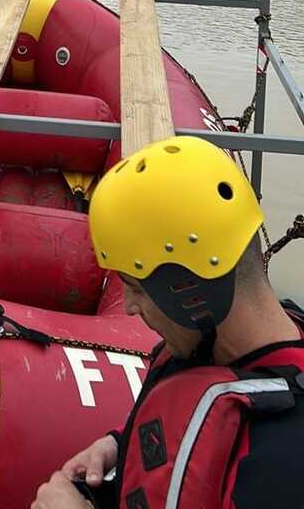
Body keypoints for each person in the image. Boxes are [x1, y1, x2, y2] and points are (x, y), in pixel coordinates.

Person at [31, 136, 304, 509]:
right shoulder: (205, 346)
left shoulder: (284, 467)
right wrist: (118, 445)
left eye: (137, 289)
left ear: (188, 292)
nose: (127, 307)